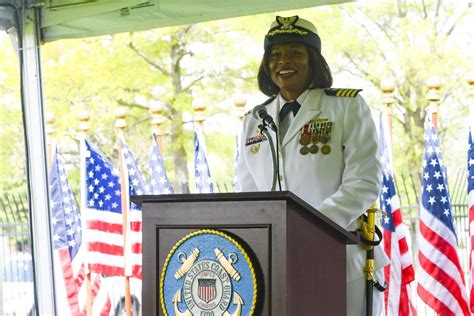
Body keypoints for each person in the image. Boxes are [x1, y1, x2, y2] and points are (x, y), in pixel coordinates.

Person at [236, 16, 389, 315]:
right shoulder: (254, 119)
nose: (283, 62)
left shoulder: (346, 106)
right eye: (275, 54)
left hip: (340, 259)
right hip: (275, 262)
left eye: (295, 52)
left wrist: (307, 228)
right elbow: (247, 192)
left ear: (313, 60)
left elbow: (364, 183)